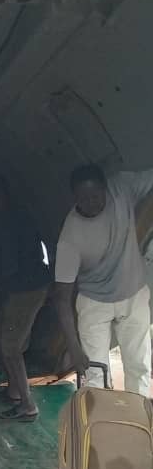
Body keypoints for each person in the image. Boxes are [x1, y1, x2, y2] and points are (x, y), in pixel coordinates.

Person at [55, 164, 153, 395]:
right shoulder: (70, 238)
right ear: (74, 198)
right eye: (83, 198)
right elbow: (61, 299)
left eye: (96, 195)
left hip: (134, 292)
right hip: (94, 302)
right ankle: (99, 423)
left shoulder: (122, 187)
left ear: (105, 188)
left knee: (139, 366)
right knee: (95, 374)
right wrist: (74, 347)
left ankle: (137, 420)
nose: (91, 203)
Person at [0, 175, 50, 421]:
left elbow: (8, 265)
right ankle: (14, 390)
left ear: (0, 197)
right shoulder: (6, 218)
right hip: (18, 289)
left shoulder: (8, 221)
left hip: (27, 290)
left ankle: (28, 406)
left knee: (10, 345)